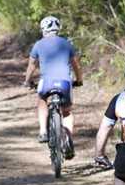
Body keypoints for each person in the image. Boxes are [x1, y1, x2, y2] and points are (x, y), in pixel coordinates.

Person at [22, 16, 83, 158]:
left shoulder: (38, 45)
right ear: (58, 28)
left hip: (46, 82)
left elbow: (32, 66)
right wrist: (79, 80)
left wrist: (27, 81)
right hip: (65, 82)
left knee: (42, 100)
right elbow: (76, 65)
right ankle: (67, 139)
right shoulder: (66, 43)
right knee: (67, 112)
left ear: (43, 30)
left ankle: (43, 131)